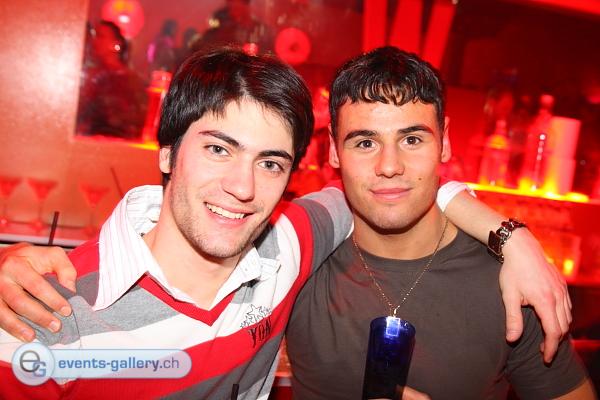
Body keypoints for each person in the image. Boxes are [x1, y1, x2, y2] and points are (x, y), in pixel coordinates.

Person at [0, 48, 571, 397]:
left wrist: (510, 235)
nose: (243, 187)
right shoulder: (44, 313)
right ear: (168, 151)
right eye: (219, 149)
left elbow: (389, 187)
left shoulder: (285, 248)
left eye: (270, 163)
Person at [285, 46, 595, 399]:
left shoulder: (511, 281)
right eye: (366, 142)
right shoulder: (301, 263)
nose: (389, 166)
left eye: (411, 139)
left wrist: (513, 239)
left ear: (444, 141)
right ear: (333, 150)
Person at [77, 20, 147, 140]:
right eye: (94, 35)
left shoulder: (126, 79)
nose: (94, 41)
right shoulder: (93, 74)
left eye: (100, 36)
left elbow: (126, 123)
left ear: (116, 45)